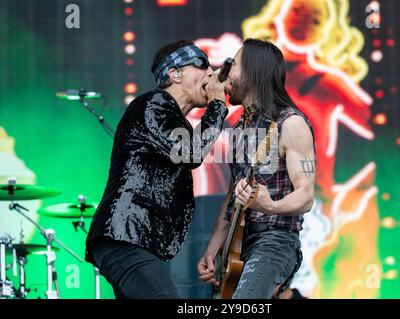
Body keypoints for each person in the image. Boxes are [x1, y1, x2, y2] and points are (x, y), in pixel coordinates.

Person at [85, 39, 229, 299]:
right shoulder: (153, 104)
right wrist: (218, 105)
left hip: (133, 239)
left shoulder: (174, 120)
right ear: (174, 73)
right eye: (201, 64)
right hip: (125, 236)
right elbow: (191, 152)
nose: (210, 72)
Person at [197, 38, 316, 299]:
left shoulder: (290, 123)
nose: (227, 74)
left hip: (274, 242)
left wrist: (269, 205)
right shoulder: (240, 128)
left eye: (234, 65)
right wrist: (213, 249)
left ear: (252, 72)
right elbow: (233, 198)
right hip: (239, 245)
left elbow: (306, 196)